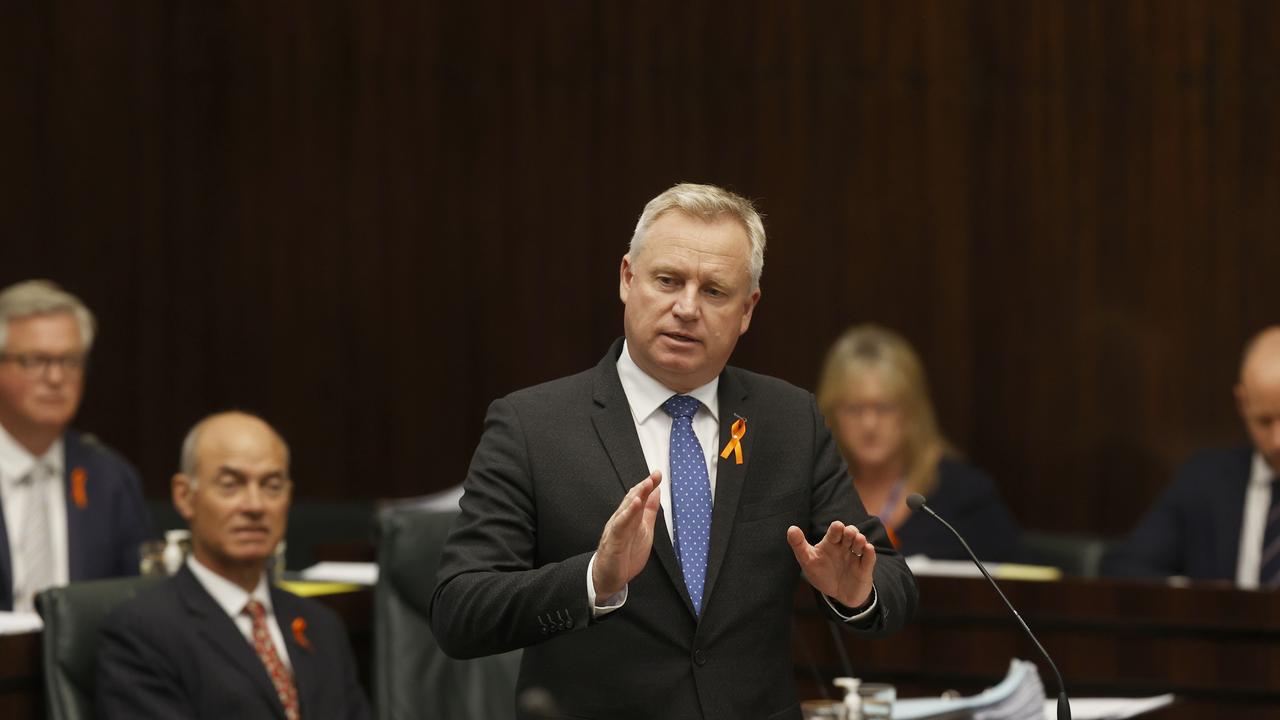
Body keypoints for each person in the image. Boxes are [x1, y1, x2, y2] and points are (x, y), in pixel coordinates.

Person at [430, 183, 917, 719]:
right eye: (667, 281)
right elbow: (460, 610)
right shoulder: (532, 426)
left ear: (747, 309)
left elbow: (891, 582)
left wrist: (857, 592)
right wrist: (595, 578)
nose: (686, 308)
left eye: (714, 291)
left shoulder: (788, 421)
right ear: (627, 279)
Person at [96, 411, 370, 719]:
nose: (255, 505)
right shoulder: (142, 632)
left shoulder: (322, 627)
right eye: (231, 485)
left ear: (289, 497)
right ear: (185, 496)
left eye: (271, 485)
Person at [0, 279, 152, 612]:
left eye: (70, 361)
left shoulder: (109, 477)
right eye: (35, 361)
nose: (56, 378)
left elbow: (136, 602)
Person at [816, 325, 1023, 563]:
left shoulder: (966, 496)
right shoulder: (817, 493)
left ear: (912, 411)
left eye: (884, 408)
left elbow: (1016, 587)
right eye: (853, 408)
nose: (869, 424)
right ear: (830, 414)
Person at [1106, 326, 1280, 587]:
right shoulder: (1205, 478)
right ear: (1242, 403)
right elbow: (1122, 567)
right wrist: (1200, 598)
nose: (1277, 441)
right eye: (1264, 421)